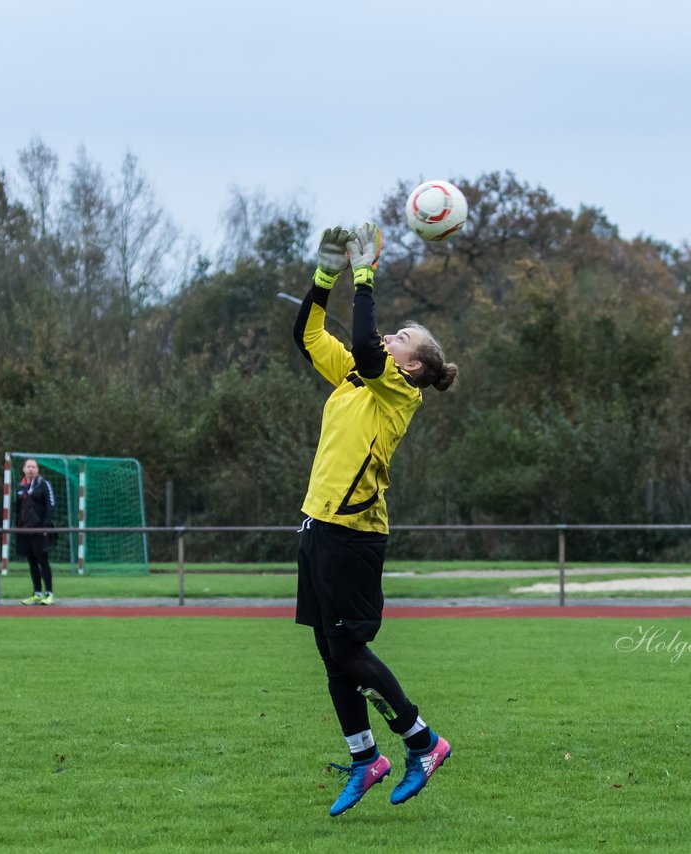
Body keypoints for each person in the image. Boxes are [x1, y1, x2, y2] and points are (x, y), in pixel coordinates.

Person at [292, 222, 459, 816]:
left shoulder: (398, 391)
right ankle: (367, 759)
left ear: (412, 368)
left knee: (351, 650)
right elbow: (308, 334)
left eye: (402, 338)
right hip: (318, 525)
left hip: (354, 534)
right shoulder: (358, 376)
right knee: (331, 654)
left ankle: (423, 742)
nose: (390, 337)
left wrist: (366, 276)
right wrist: (325, 273)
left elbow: (364, 340)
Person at [14, 458, 57, 606]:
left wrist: (45, 527)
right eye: (28, 466)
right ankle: (37, 593)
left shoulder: (44, 485)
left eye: (33, 466)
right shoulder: (20, 487)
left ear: (37, 469)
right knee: (31, 562)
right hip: (25, 531)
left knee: (43, 561)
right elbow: (17, 510)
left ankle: (49, 593)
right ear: (24, 469)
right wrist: (17, 528)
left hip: (40, 530)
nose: (31, 469)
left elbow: (51, 506)